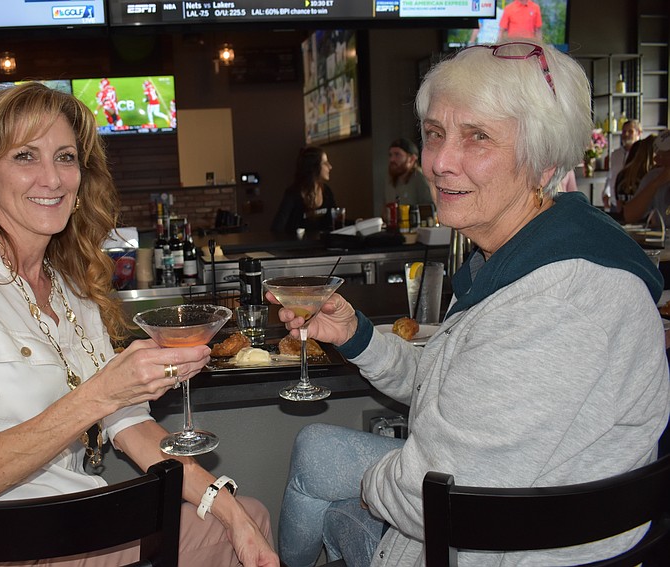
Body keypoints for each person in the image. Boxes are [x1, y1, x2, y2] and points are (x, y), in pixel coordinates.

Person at [273, 41, 669, 567]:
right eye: (435, 134)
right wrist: (357, 337)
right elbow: (452, 383)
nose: (438, 162)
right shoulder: (514, 254)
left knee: (334, 509)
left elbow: (432, 498)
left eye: (477, 137)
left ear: (542, 158)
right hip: (483, 508)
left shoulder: (565, 298)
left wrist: (366, 491)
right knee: (317, 449)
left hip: (500, 550)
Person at [0, 82, 278, 567]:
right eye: (26, 156)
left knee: (250, 519)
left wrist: (226, 505)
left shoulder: (70, 287)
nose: (51, 179)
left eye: (66, 157)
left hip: (69, 520)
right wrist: (102, 393)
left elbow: (129, 423)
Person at [271, 146, 337, 234]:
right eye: (325, 163)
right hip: (299, 246)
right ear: (314, 167)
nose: (330, 166)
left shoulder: (326, 192)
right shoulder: (293, 194)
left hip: (322, 246)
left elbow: (335, 221)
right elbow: (276, 228)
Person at [622, 129, 670, 226]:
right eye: (657, 155)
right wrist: (656, 183)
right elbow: (629, 215)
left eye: (662, 156)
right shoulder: (655, 176)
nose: (656, 160)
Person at [603, 119, 643, 211]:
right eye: (624, 131)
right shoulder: (615, 154)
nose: (626, 134)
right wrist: (606, 193)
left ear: (639, 133)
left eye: (630, 131)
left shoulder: (642, 155)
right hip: (615, 203)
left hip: (635, 203)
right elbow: (611, 176)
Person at [383, 138, 433, 209]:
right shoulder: (390, 179)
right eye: (390, 155)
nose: (392, 159)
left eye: (397, 154)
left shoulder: (421, 178)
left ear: (412, 159)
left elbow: (430, 211)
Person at [615, 135, 656, 219]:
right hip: (645, 226)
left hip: (621, 223)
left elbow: (619, 205)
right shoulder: (652, 177)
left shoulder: (621, 175)